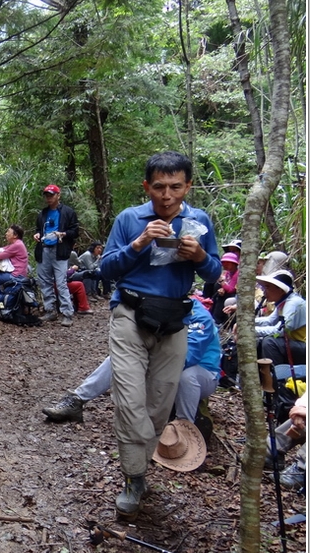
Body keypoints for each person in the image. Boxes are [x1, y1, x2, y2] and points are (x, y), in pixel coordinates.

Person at [100, 150, 221, 519]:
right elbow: (105, 269)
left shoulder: (198, 221)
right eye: (159, 187)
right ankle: (134, 477)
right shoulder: (129, 218)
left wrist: (199, 255)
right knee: (129, 399)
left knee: (159, 402)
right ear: (146, 186)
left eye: (175, 187)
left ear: (188, 185)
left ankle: (141, 463)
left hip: (175, 319)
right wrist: (138, 244)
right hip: (130, 315)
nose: (167, 195)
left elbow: (216, 274)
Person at [44, 297, 221, 441]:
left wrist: (149, 366)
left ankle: (184, 430)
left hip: (203, 374)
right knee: (120, 358)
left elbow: (188, 357)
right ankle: (77, 399)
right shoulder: (161, 311)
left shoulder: (199, 317)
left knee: (186, 376)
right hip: (165, 367)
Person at [33, 184, 79, 327]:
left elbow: (75, 231)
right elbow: (38, 229)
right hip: (44, 249)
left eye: (51, 195)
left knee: (60, 282)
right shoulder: (43, 213)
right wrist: (37, 234)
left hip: (60, 250)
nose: (49, 198)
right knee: (44, 281)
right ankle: (50, 310)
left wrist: (64, 234)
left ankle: (67, 313)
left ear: (58, 195)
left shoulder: (67, 212)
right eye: (47, 195)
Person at [251, 270, 306, 366]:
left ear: (281, 290)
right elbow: (270, 321)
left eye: (267, 287)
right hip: (296, 344)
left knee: (269, 342)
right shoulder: (284, 301)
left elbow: (280, 331)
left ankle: (277, 378)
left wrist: (250, 330)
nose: (264, 291)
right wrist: (247, 323)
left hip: (304, 345)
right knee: (261, 341)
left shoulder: (292, 303)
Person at [0, 224, 29, 294]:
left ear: (15, 235)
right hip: (14, 273)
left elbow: (0, 255)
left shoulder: (17, 245)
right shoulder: (16, 244)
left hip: (16, 275)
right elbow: (1, 250)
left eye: (9, 232)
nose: (6, 233)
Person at [212, 252, 239, 325]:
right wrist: (222, 288)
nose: (224, 265)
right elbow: (226, 285)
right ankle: (214, 316)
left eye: (228, 263)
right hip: (227, 293)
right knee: (217, 290)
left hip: (235, 296)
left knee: (223, 296)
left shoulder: (237, 273)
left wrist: (222, 282)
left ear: (234, 264)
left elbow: (231, 289)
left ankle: (217, 320)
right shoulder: (228, 272)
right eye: (223, 263)